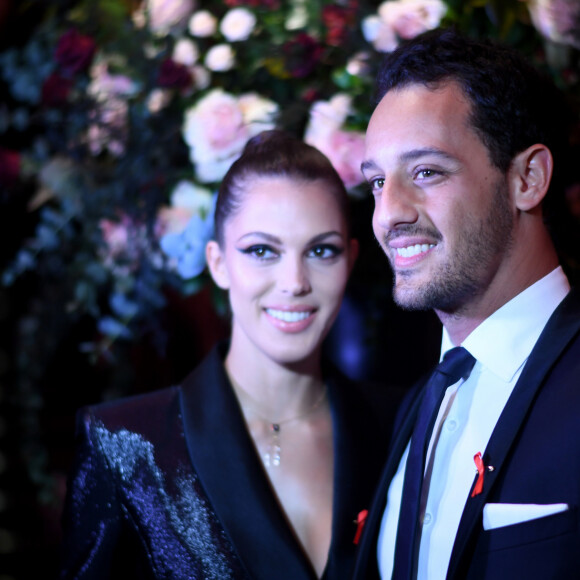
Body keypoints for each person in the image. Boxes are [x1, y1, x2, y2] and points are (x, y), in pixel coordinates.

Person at [60, 130, 402, 580]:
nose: (294, 281)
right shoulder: (123, 444)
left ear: (351, 260)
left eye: (321, 251)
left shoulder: (402, 424)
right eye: (262, 251)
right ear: (218, 263)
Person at [353, 28, 580, 580]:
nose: (389, 214)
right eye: (378, 182)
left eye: (425, 172)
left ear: (528, 178)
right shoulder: (419, 402)